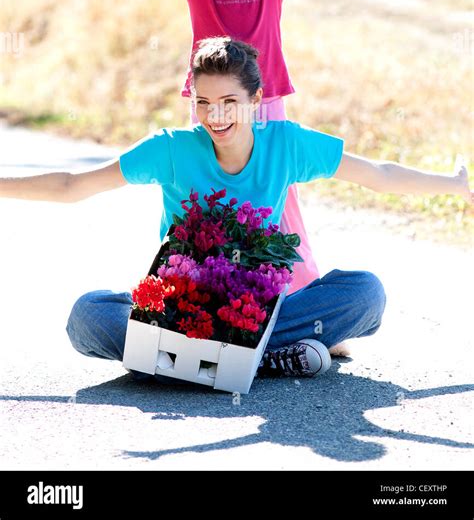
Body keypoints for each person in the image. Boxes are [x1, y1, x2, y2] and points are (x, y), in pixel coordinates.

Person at [25, 0, 431, 296]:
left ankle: (295, 294)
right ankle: (203, 288)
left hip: (266, 103)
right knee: (210, 198)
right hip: (212, 107)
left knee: (280, 201)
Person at [1, 37, 470, 380]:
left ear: (257, 101)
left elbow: (380, 175)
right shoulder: (170, 149)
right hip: (179, 311)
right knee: (87, 316)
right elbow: (71, 184)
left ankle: (197, 363)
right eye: (204, 102)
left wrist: (454, 185)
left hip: (258, 310)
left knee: (366, 293)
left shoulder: (285, 145)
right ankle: (256, 360)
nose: (216, 115)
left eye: (230, 102)